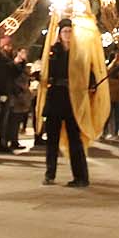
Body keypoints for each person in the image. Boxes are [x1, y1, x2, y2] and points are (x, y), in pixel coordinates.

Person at [37, 18, 95, 187]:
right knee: (52, 140)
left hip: (72, 100)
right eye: (64, 31)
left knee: (74, 140)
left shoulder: (79, 53)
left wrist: (90, 84)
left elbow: (87, 72)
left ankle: (81, 177)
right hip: (55, 97)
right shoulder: (52, 51)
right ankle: (50, 174)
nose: (67, 34)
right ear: (60, 34)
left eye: (70, 31)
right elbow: (45, 71)